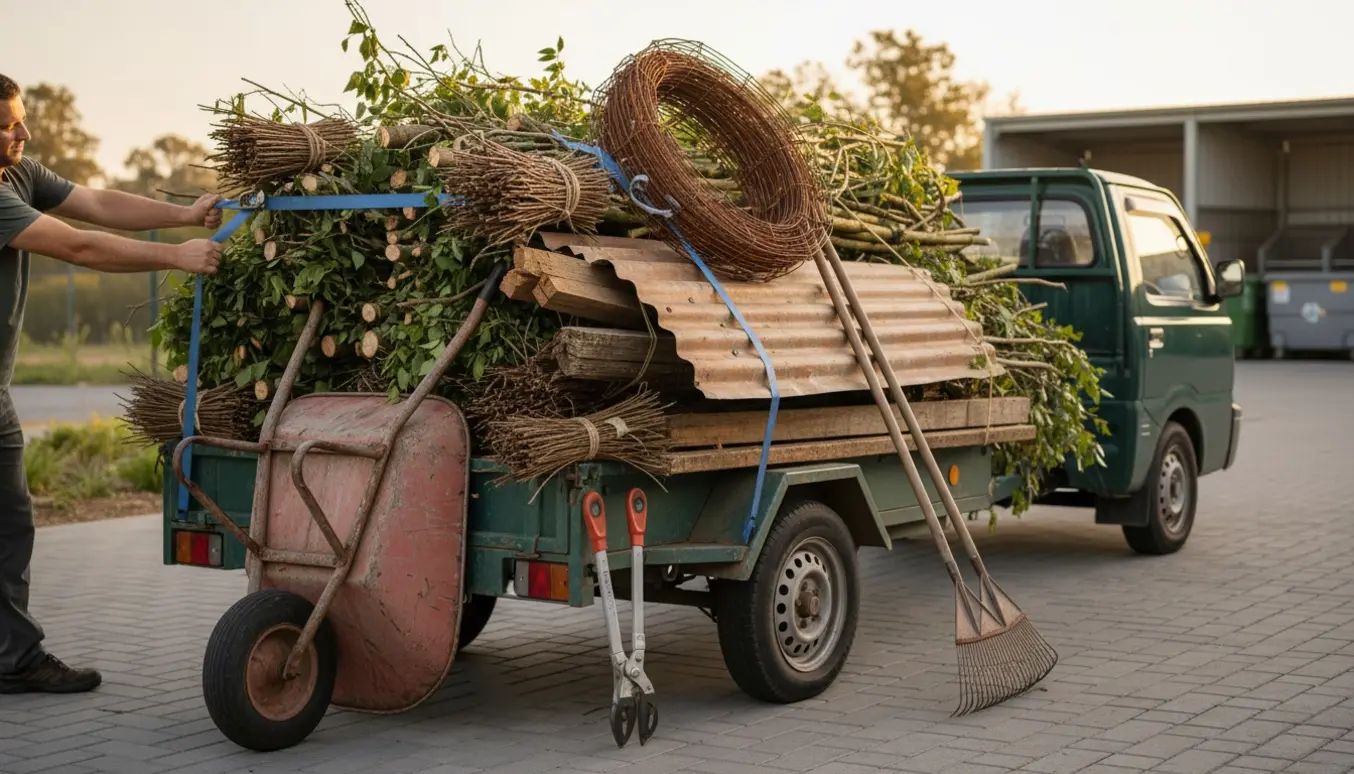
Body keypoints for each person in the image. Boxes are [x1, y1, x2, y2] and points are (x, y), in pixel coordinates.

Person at [0, 74, 223, 694]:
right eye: (8, 125)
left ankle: (12, 659)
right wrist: (177, 256)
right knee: (7, 525)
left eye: (20, 119)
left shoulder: (16, 170)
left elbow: (95, 204)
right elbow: (79, 247)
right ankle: (14, 658)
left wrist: (182, 216)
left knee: (9, 526)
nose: (24, 132)